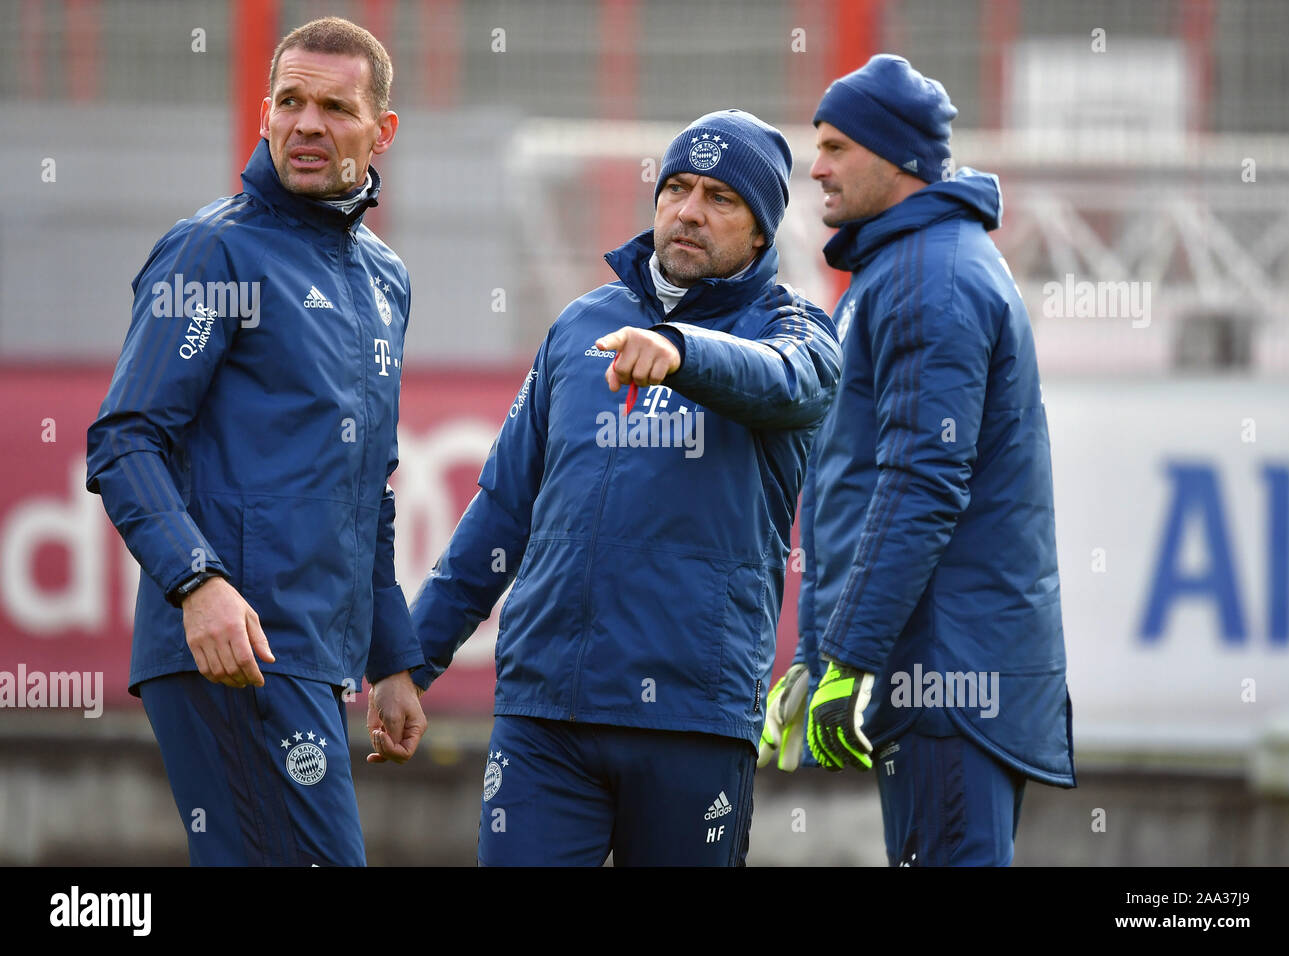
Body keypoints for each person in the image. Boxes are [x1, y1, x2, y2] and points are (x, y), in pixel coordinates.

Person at [408, 109, 841, 866]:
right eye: (675, 187)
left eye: (720, 197)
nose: (688, 210)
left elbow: (791, 387)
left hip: (692, 720)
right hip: (549, 714)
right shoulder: (581, 326)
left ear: (763, 232)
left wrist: (680, 352)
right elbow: (505, 510)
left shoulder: (795, 330)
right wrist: (411, 659)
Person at [85, 17, 426, 866]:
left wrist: (390, 657)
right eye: (290, 101)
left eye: (334, 107)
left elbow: (367, 486)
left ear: (381, 131)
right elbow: (125, 439)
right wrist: (197, 585)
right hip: (229, 649)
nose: (307, 124)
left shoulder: (385, 277)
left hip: (312, 656)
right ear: (264, 113)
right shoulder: (212, 251)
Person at [759, 54, 1076, 866]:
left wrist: (850, 661)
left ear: (895, 158)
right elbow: (858, 485)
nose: (816, 168)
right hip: (934, 669)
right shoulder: (903, 263)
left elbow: (921, 486)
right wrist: (817, 657)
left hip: (948, 680)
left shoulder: (929, 275)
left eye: (834, 147)